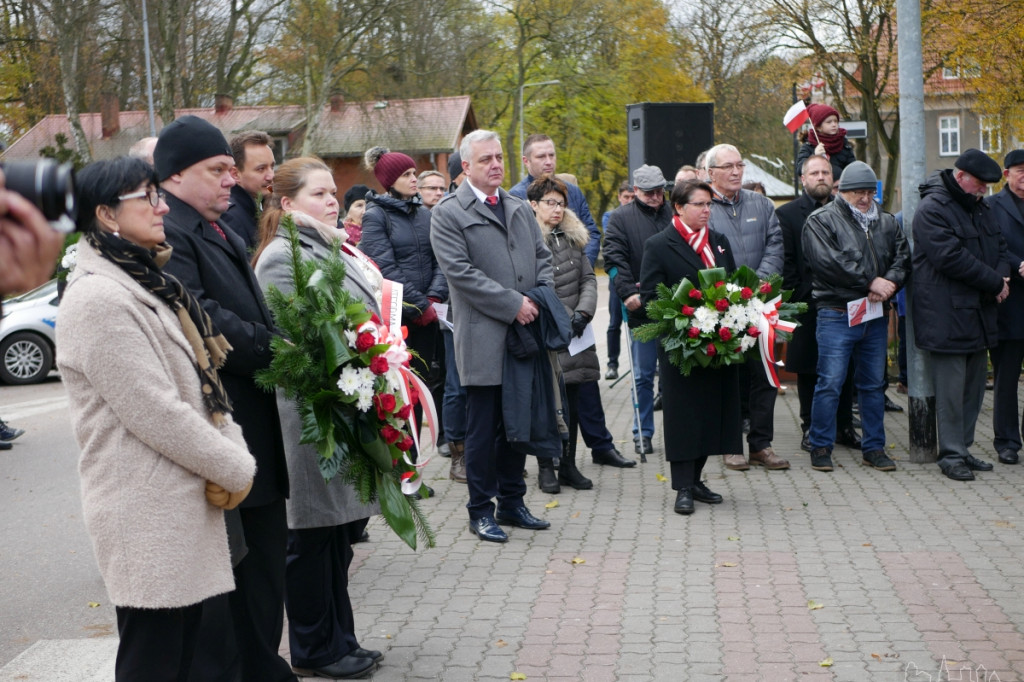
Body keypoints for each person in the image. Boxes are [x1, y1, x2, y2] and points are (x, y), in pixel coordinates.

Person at [57, 156, 256, 681]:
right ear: (106, 214)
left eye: (158, 195)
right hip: (143, 511)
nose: (161, 206)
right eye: (146, 197)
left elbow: (202, 386)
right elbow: (155, 410)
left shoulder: (146, 282)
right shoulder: (98, 298)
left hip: (177, 504)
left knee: (185, 657)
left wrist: (232, 446)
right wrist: (235, 465)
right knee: (154, 661)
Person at [154, 115, 295, 682]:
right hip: (225, 428)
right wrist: (276, 347)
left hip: (253, 424)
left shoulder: (214, 226)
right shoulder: (172, 232)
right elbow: (201, 316)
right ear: (175, 174)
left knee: (263, 571)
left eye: (231, 170)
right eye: (217, 170)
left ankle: (264, 667)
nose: (230, 180)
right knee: (236, 581)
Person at [252, 157, 383, 680]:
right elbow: (297, 338)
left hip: (341, 404)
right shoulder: (281, 257)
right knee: (311, 539)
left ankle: (340, 639)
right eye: (320, 194)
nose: (333, 201)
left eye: (334, 193)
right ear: (287, 203)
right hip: (309, 415)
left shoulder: (326, 245)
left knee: (335, 538)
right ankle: (314, 648)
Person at [430, 129, 556, 543]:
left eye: (499, 157)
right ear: (466, 166)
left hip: (523, 333)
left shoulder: (517, 207)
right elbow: (460, 274)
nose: (496, 165)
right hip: (483, 336)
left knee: (517, 423)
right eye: (486, 159)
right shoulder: (449, 212)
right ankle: (481, 510)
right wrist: (513, 303)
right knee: (483, 430)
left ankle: (513, 503)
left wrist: (537, 296)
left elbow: (542, 258)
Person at [638, 179, 740, 515]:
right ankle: (682, 486)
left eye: (710, 205)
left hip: (716, 345)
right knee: (684, 416)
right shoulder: (659, 245)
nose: (707, 211)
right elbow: (651, 298)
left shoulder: (718, 242)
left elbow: (732, 285)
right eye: (700, 204)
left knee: (710, 413)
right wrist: (689, 319)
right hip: (681, 345)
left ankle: (696, 480)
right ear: (679, 207)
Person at [801, 161, 910, 472]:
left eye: (869, 192)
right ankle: (821, 446)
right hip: (836, 314)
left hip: (874, 314)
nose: (864, 198)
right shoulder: (820, 221)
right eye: (857, 193)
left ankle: (874, 448)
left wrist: (889, 284)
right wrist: (871, 282)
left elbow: (903, 258)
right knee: (830, 383)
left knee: (874, 385)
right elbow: (828, 263)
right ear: (842, 192)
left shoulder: (886, 222)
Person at [912, 149, 1009, 482]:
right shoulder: (932, 208)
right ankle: (951, 454)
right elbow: (950, 258)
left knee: (973, 389)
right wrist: (995, 282)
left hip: (978, 313)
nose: (984, 190)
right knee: (951, 393)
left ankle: (963, 449)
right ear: (961, 176)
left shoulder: (979, 207)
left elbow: (1000, 246)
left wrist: (1002, 275)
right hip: (947, 315)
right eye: (980, 184)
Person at [360, 147, 447, 497]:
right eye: (407, 174)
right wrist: (420, 305)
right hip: (399, 321)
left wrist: (435, 298)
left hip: (429, 317)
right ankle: (402, 472)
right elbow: (384, 268)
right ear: (388, 181)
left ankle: (415, 471)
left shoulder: (424, 214)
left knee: (423, 392)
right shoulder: (376, 216)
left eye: (414, 173)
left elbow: (441, 257)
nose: (415, 179)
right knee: (399, 397)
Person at [706, 143, 789, 471]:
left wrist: (756, 286)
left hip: (760, 304)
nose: (736, 171)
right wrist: (730, 294)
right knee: (729, 378)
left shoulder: (762, 204)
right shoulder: (704, 206)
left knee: (765, 375)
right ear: (711, 172)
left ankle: (761, 445)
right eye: (728, 166)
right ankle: (730, 446)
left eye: (739, 165)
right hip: (723, 306)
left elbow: (775, 245)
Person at [777, 154, 861, 454]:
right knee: (810, 369)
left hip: (846, 304)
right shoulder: (787, 214)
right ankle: (811, 427)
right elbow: (786, 264)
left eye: (826, 172)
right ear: (803, 179)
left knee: (846, 367)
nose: (821, 177)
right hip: (809, 305)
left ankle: (844, 426)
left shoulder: (848, 211)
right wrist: (807, 296)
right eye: (814, 173)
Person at [603, 164, 672, 456]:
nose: (655, 197)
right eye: (648, 193)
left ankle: (680, 431)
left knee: (675, 374)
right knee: (643, 374)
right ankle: (642, 431)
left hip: (675, 305)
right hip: (641, 307)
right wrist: (628, 292)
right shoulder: (620, 218)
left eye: (659, 191)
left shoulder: (674, 213)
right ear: (635, 191)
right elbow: (613, 259)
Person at [509, 134, 600, 265]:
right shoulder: (515, 197)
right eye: (541, 156)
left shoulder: (573, 191)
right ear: (526, 161)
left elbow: (592, 234)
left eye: (551, 155)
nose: (549, 161)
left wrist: (583, 267)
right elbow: (517, 245)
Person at [987, 149, 1024, 466]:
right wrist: (1017, 264)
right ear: (1006, 174)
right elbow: (991, 246)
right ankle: (1007, 442)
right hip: (1009, 303)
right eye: (1020, 169)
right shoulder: (991, 206)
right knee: (1006, 379)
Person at [222, 130, 276, 250]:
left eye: (272, 167)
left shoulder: (264, 205)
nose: (271, 176)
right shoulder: (231, 218)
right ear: (235, 174)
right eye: (261, 169)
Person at [602, 181, 634, 381]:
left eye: (632, 197)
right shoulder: (610, 216)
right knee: (614, 322)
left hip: (636, 277)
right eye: (626, 197)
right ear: (619, 197)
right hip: (618, 280)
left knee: (636, 323)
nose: (629, 201)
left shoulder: (640, 216)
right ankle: (612, 364)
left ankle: (639, 360)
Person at [795, 103, 856, 180]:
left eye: (836, 121)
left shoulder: (844, 145)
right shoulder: (808, 146)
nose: (834, 124)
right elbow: (800, 169)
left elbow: (853, 170)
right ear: (818, 127)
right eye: (829, 122)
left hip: (839, 186)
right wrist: (814, 156)